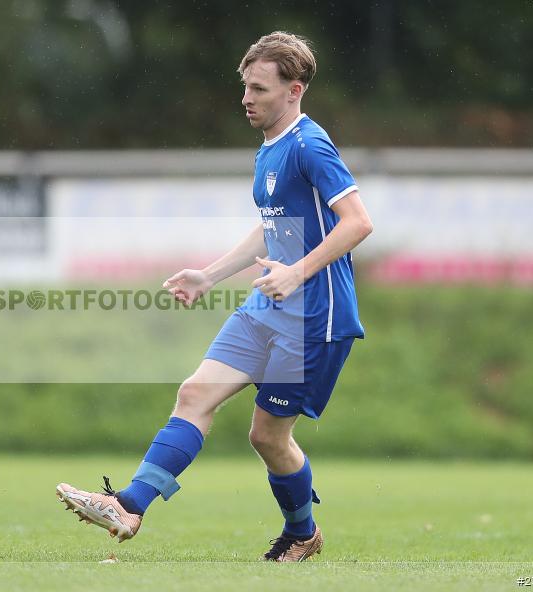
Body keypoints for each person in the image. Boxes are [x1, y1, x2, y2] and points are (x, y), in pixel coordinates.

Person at [56, 31, 373, 562]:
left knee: (268, 438)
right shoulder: (271, 148)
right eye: (245, 87)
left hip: (316, 318)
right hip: (268, 307)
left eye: (260, 89)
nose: (247, 98)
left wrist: (297, 273)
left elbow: (359, 222)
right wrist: (210, 275)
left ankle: (303, 532)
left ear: (294, 90)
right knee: (194, 394)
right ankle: (129, 505)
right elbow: (271, 227)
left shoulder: (310, 145)